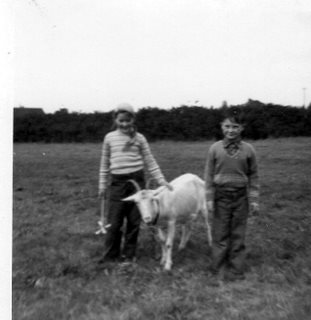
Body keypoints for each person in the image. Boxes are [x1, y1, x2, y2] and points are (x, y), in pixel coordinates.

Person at [98, 103, 172, 264]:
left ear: (133, 119)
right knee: (114, 222)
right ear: (115, 120)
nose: (124, 124)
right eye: (121, 121)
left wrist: (161, 180)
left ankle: (129, 255)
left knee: (134, 221)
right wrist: (102, 185)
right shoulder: (109, 138)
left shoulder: (140, 138)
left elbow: (150, 161)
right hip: (117, 184)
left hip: (137, 183)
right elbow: (104, 163)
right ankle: (110, 255)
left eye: (128, 120)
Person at [204, 107, 259, 281]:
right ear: (221, 127)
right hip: (221, 196)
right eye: (227, 126)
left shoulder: (249, 150)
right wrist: (209, 198)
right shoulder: (215, 149)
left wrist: (254, 200)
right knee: (220, 233)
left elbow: (254, 176)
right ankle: (217, 267)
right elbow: (208, 175)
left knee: (238, 233)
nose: (231, 130)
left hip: (241, 197)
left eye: (235, 127)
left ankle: (236, 269)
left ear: (242, 128)